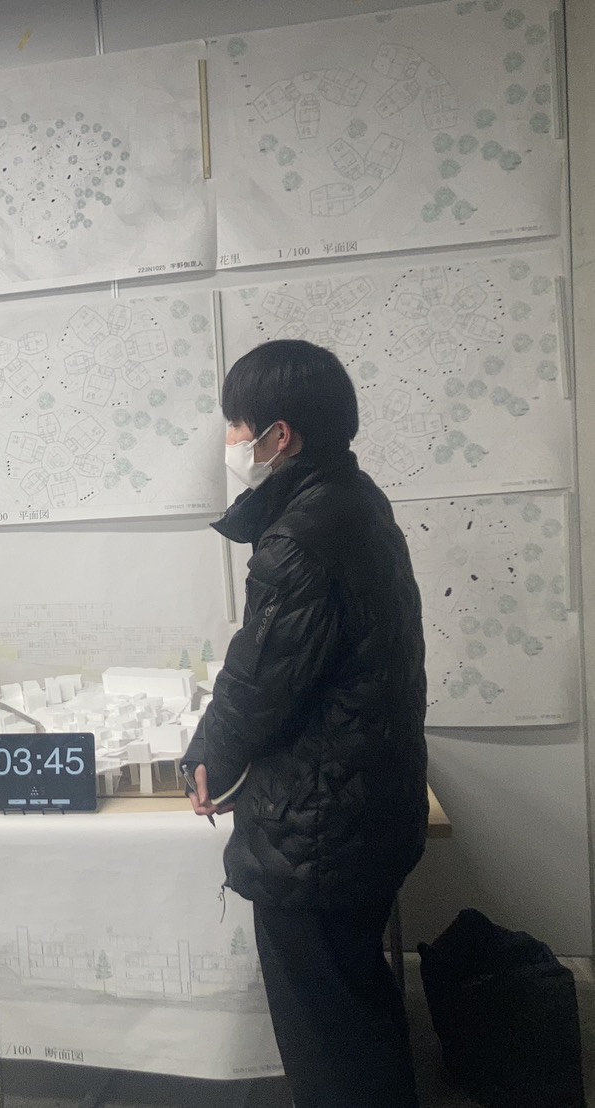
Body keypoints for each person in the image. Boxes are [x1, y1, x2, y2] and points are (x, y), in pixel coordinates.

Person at [181, 339, 428, 1107]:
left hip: (317, 829)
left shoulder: (300, 537)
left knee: (326, 1033)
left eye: (235, 425)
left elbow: (258, 679)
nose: (229, 442)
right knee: (356, 1001)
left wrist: (207, 756)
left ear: (277, 436)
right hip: (368, 797)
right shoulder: (354, 500)